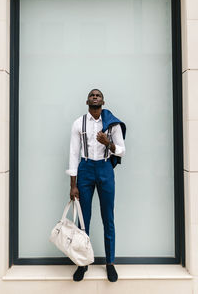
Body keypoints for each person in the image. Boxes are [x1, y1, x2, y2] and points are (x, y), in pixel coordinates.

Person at [66, 89, 126, 282]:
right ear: (87, 101)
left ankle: (110, 263)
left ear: (103, 101)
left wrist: (108, 143)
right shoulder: (78, 123)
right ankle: (82, 264)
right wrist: (72, 185)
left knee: (108, 217)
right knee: (83, 220)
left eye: (98, 95)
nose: (94, 96)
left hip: (105, 168)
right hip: (85, 169)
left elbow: (122, 151)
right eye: (92, 95)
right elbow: (74, 154)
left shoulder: (112, 124)